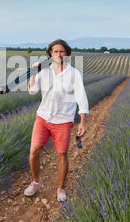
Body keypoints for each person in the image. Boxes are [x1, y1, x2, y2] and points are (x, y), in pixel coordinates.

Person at [24, 39, 89, 202]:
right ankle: (36, 182)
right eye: (55, 51)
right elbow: (32, 91)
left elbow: (81, 97)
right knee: (34, 152)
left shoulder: (74, 73)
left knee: (62, 155)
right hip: (43, 117)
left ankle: (61, 188)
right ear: (50, 54)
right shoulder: (44, 71)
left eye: (62, 51)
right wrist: (33, 73)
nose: (59, 54)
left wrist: (82, 121)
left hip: (63, 120)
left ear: (67, 53)